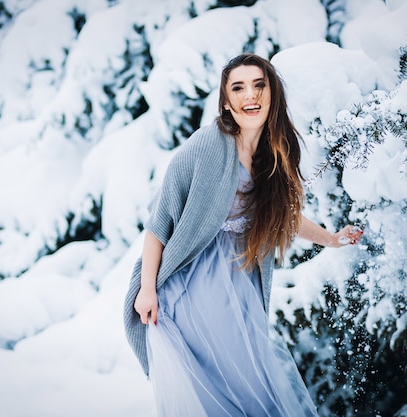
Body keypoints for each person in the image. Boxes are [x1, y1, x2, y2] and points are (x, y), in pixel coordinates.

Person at [123, 53, 364, 417]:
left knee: (250, 386)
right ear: (226, 101)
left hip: (239, 283)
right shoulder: (207, 144)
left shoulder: (273, 154)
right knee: (218, 391)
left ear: (272, 95)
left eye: (259, 85)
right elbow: (160, 222)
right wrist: (146, 288)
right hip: (190, 283)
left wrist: (332, 239)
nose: (250, 95)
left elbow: (285, 216)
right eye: (238, 87)